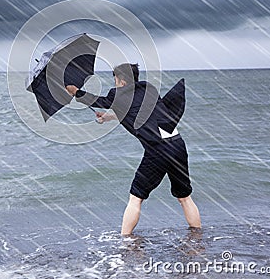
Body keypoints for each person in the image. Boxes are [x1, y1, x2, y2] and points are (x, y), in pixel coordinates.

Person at [66, 63, 201, 235]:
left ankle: (125, 241)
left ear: (121, 81)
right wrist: (108, 117)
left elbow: (97, 100)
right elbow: (140, 110)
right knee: (184, 197)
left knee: (136, 198)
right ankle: (197, 239)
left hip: (158, 150)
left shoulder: (118, 95)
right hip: (177, 144)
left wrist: (76, 92)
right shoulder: (148, 89)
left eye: (115, 79)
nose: (114, 83)